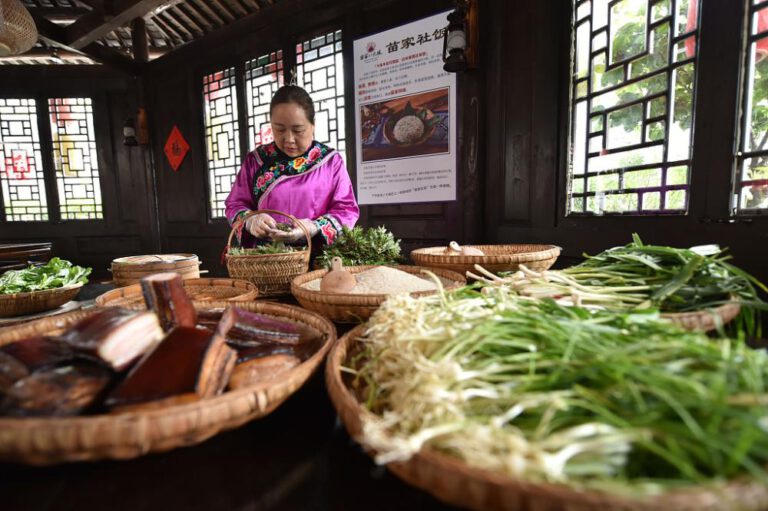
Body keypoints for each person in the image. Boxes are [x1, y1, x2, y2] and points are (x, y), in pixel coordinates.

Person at [225, 85, 359, 249]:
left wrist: (312, 227)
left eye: (298, 130)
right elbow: (235, 205)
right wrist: (249, 219)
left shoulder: (330, 162)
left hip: (317, 257)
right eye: (279, 129)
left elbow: (347, 210)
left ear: (313, 125)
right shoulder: (257, 160)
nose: (289, 139)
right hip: (266, 260)